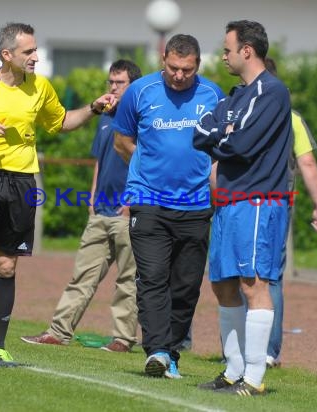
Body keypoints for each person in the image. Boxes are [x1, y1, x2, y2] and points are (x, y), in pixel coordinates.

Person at [0, 22, 116, 367]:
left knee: (6, 266)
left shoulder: (40, 87)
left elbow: (62, 121)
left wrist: (94, 108)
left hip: (23, 183)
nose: (36, 57)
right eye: (28, 52)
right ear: (7, 55)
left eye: (35, 50)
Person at [112, 34, 225, 379]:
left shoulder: (213, 95)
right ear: (163, 59)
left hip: (195, 205)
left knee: (186, 285)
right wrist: (148, 166)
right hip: (148, 201)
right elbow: (122, 140)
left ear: (198, 67)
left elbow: (221, 147)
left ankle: (172, 352)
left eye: (187, 70)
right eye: (174, 68)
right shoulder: (140, 92)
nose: (179, 76)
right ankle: (157, 351)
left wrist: (212, 181)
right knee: (152, 277)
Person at [193, 20, 292, 395]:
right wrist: (224, 135)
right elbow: (198, 133)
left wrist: (222, 137)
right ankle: (232, 370)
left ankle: (254, 377)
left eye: (227, 49)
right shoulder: (234, 96)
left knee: (254, 285)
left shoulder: (273, 92)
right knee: (222, 285)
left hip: (258, 201)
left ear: (247, 51)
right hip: (227, 202)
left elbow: (242, 146)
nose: (223, 56)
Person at [20, 59, 142, 352]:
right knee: (82, 276)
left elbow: (143, 162)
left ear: (133, 85)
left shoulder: (141, 116)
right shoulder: (104, 117)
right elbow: (100, 161)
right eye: (110, 82)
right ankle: (58, 332)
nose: (112, 87)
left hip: (129, 212)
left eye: (119, 82)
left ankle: (122, 339)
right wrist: (91, 197)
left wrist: (130, 202)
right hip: (100, 210)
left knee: (127, 281)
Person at [263, 56, 317, 368]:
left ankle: (235, 349)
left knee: (239, 276)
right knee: (272, 277)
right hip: (277, 203)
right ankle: (269, 352)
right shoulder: (291, 118)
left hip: (238, 202)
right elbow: (307, 163)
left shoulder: (239, 111)